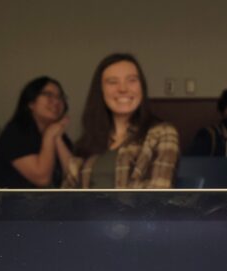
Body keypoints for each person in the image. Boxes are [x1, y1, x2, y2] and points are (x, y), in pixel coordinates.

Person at [62, 53, 179, 188]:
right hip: (86, 210)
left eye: (132, 80)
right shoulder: (89, 141)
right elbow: (67, 195)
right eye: (112, 82)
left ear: (142, 87)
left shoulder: (163, 133)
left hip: (134, 210)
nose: (123, 89)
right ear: (100, 91)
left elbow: (157, 192)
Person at [0, 76, 73, 189]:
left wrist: (57, 138)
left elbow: (73, 176)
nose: (56, 101)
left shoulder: (58, 134)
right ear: (31, 103)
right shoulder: (15, 133)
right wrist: (50, 135)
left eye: (60, 97)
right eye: (48, 95)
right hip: (16, 203)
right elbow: (42, 179)